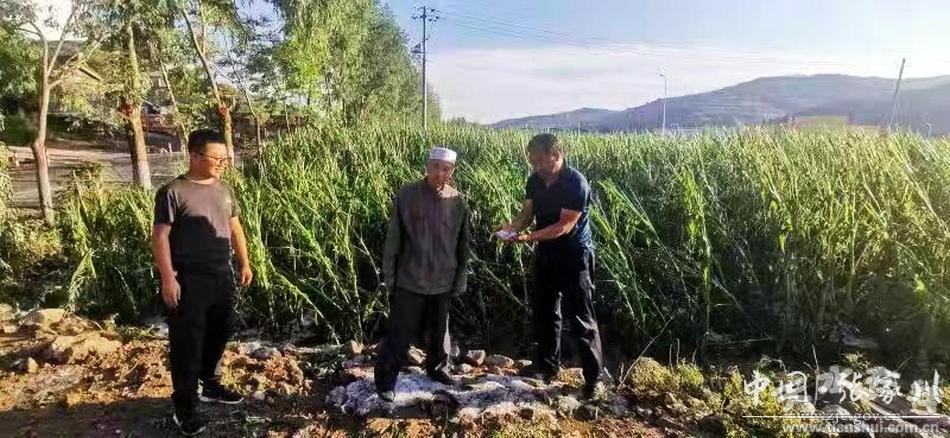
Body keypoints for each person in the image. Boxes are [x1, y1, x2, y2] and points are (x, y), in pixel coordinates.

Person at [152, 129, 254, 435]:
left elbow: (235, 227)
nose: (222, 163)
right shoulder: (173, 192)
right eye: (216, 158)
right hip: (188, 278)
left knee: (221, 329)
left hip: (221, 274)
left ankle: (210, 383)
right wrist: (168, 279)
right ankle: (185, 406)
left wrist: (245, 262)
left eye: (225, 158)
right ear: (195, 156)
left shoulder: (224, 189)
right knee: (187, 342)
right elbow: (160, 236)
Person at [499, 132, 605, 399]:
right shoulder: (534, 181)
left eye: (539, 160)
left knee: (581, 317)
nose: (535, 166)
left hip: (575, 255)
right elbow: (526, 215)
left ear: (556, 155)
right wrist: (512, 228)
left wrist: (527, 238)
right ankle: (548, 368)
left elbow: (563, 226)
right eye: (532, 161)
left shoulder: (576, 183)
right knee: (545, 312)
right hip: (546, 253)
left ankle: (593, 379)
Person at [374, 146, 471, 402]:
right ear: (427, 166)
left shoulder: (457, 201)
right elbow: (393, 239)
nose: (440, 173)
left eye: (446, 169)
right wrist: (389, 277)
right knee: (399, 333)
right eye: (436, 167)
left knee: (440, 332)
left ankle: (437, 369)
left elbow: (463, 245)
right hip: (410, 278)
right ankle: (385, 381)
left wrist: (460, 278)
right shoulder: (407, 196)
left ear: (452, 172)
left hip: (444, 279)